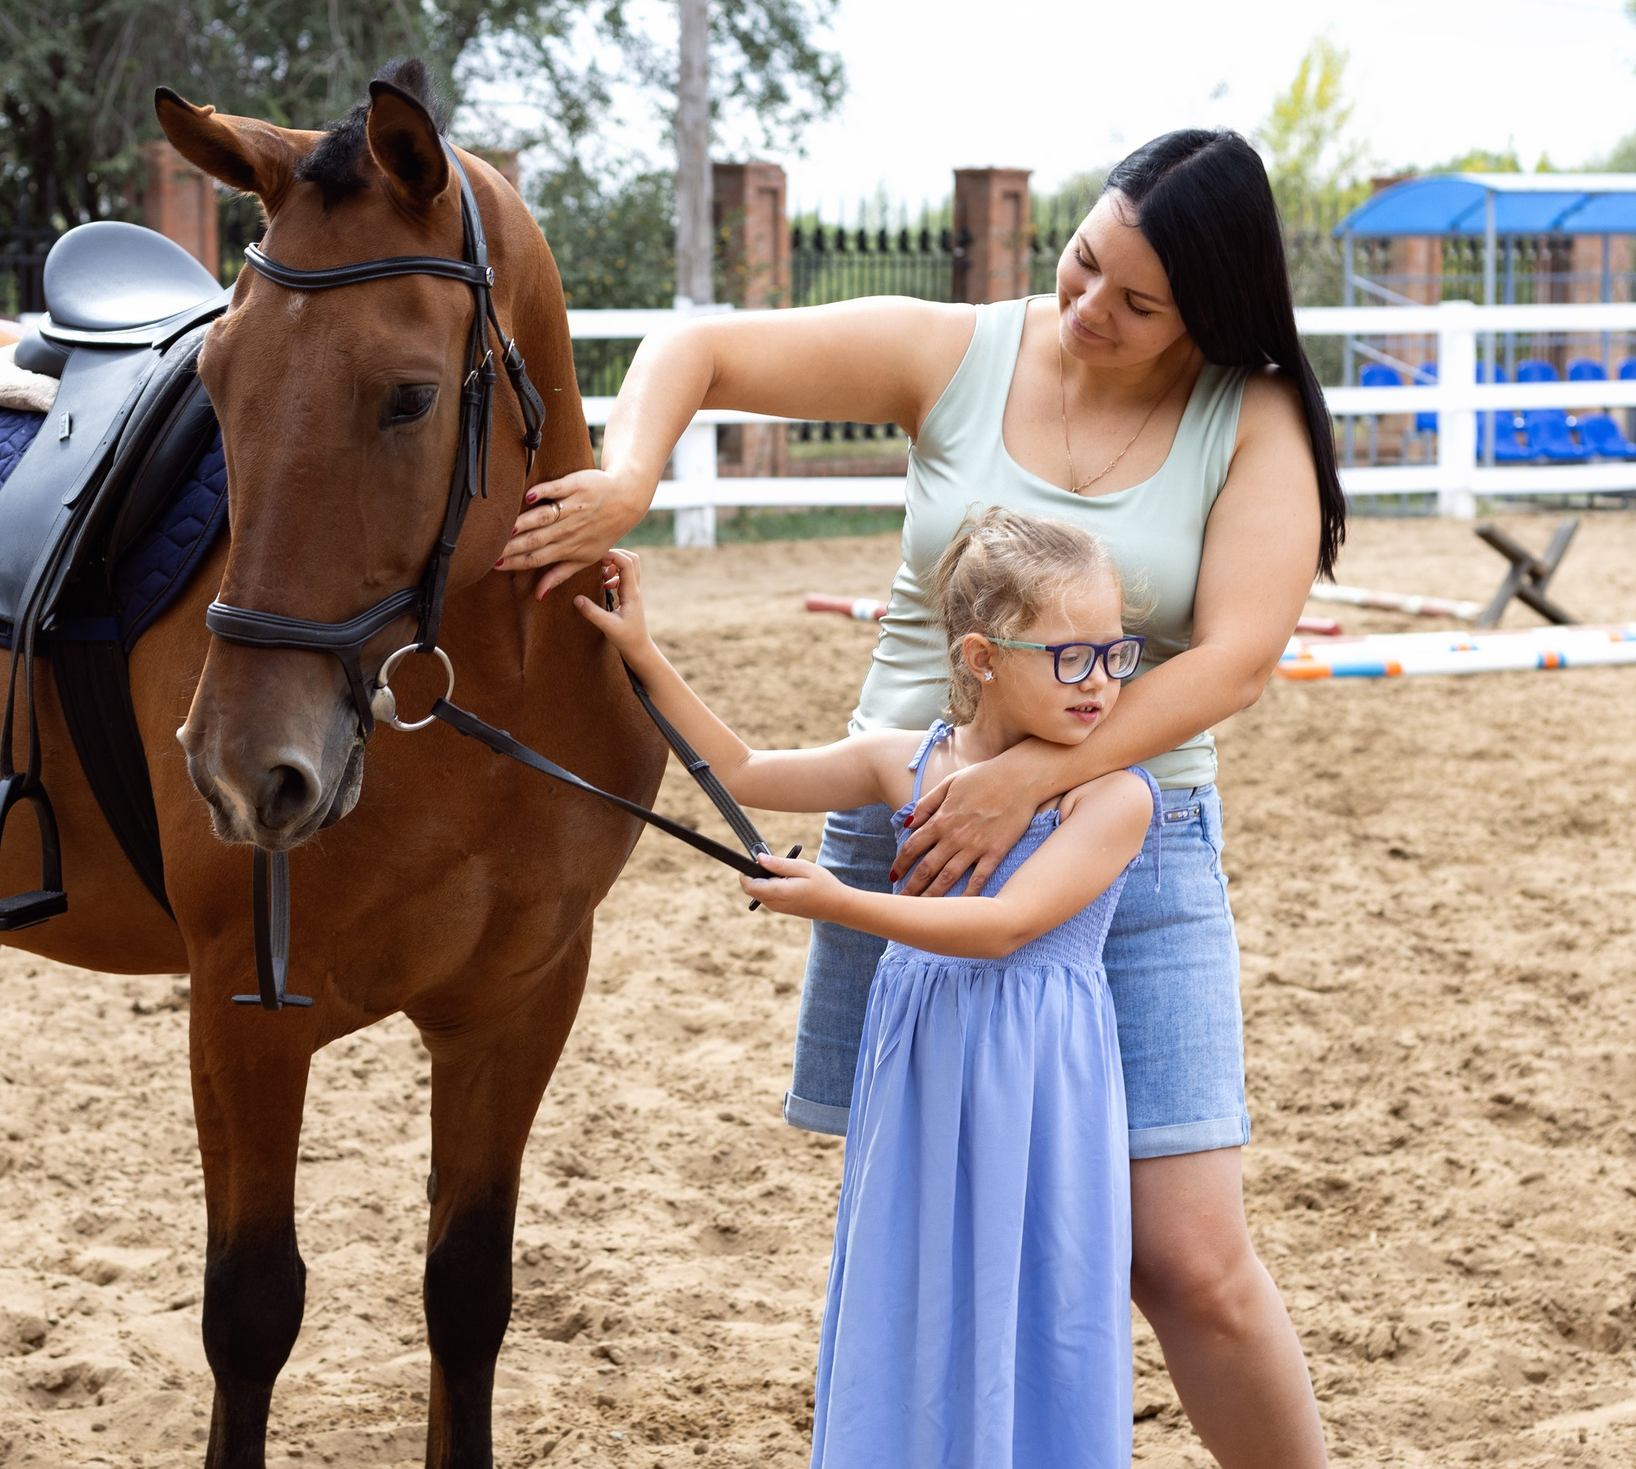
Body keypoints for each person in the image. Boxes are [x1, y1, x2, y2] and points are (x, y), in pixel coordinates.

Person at [503, 128, 1339, 1467]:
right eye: (1083, 263)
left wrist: (1038, 773)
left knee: (1190, 1260)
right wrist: (635, 474)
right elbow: (700, 347)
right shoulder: (963, 350)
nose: (1086, 310)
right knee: (929, 1227)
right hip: (921, 830)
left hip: (1132, 843)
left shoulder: (1250, 416)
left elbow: (1239, 654)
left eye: (1136, 303)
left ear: (1216, 311)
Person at [578, 512, 1156, 1464]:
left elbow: (1006, 927)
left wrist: (838, 902)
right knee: (913, 1274)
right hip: (924, 1069)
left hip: (1039, 1085)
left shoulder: (1111, 795)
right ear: (980, 655)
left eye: (1114, 653)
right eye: (1070, 657)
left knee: (1040, 1284)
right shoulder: (908, 759)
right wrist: (642, 647)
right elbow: (747, 770)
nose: (1101, 681)